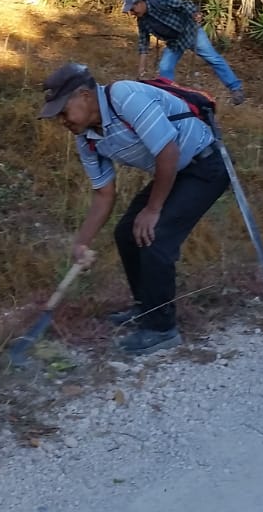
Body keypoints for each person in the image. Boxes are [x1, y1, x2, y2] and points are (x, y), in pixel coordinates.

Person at [39, 62, 229, 354]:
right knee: (127, 233)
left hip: (204, 166)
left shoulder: (125, 97)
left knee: (156, 237)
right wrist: (82, 242)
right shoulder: (86, 139)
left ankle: (161, 329)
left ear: (85, 95)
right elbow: (104, 193)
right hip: (174, 172)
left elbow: (168, 151)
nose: (62, 120)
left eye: (64, 110)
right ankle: (147, 307)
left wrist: (153, 210)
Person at [122, 0, 246, 105]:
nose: (132, 13)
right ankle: (169, 98)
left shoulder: (159, 0)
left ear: (140, 3)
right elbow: (144, 44)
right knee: (165, 68)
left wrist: (195, 13)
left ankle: (235, 89)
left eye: (133, 9)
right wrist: (141, 69)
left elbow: (183, 4)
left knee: (214, 59)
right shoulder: (142, 21)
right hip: (174, 42)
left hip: (191, 32)